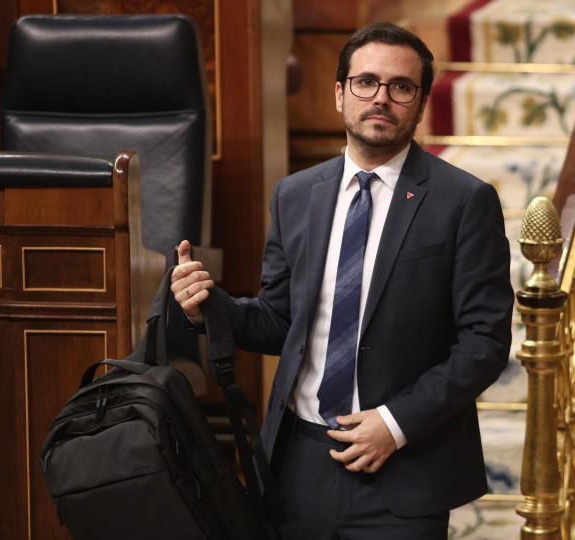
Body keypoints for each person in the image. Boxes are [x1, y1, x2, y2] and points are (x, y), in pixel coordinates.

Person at [171, 22, 514, 540]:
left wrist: (394, 424)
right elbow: (279, 320)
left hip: (404, 466)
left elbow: (485, 342)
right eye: (366, 82)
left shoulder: (464, 201)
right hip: (298, 462)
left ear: (420, 104)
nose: (381, 98)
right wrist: (208, 306)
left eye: (401, 87)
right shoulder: (296, 194)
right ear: (339, 93)